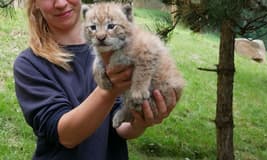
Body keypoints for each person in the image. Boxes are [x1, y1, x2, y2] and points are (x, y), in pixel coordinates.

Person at [13, 0, 178, 159]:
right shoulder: (29, 64)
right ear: (34, 2)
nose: (61, 3)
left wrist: (141, 122)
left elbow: (121, 127)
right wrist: (109, 90)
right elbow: (66, 136)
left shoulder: (117, 47)